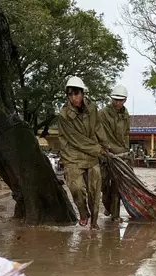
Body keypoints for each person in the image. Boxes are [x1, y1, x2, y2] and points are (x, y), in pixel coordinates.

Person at [58, 76, 110, 229]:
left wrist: (106, 145)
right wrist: (98, 149)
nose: (74, 98)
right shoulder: (63, 115)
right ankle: (82, 212)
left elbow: (97, 127)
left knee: (95, 189)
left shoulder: (92, 108)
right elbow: (76, 140)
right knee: (76, 188)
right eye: (70, 94)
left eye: (77, 93)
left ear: (83, 93)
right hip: (72, 155)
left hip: (91, 155)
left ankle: (94, 222)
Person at [99, 84, 130, 220]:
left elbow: (126, 134)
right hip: (106, 155)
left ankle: (115, 216)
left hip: (121, 155)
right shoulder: (103, 114)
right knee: (103, 185)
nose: (117, 103)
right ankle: (108, 207)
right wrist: (105, 150)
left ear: (125, 100)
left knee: (117, 187)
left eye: (120, 100)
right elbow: (100, 134)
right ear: (111, 99)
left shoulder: (126, 115)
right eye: (115, 100)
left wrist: (126, 152)